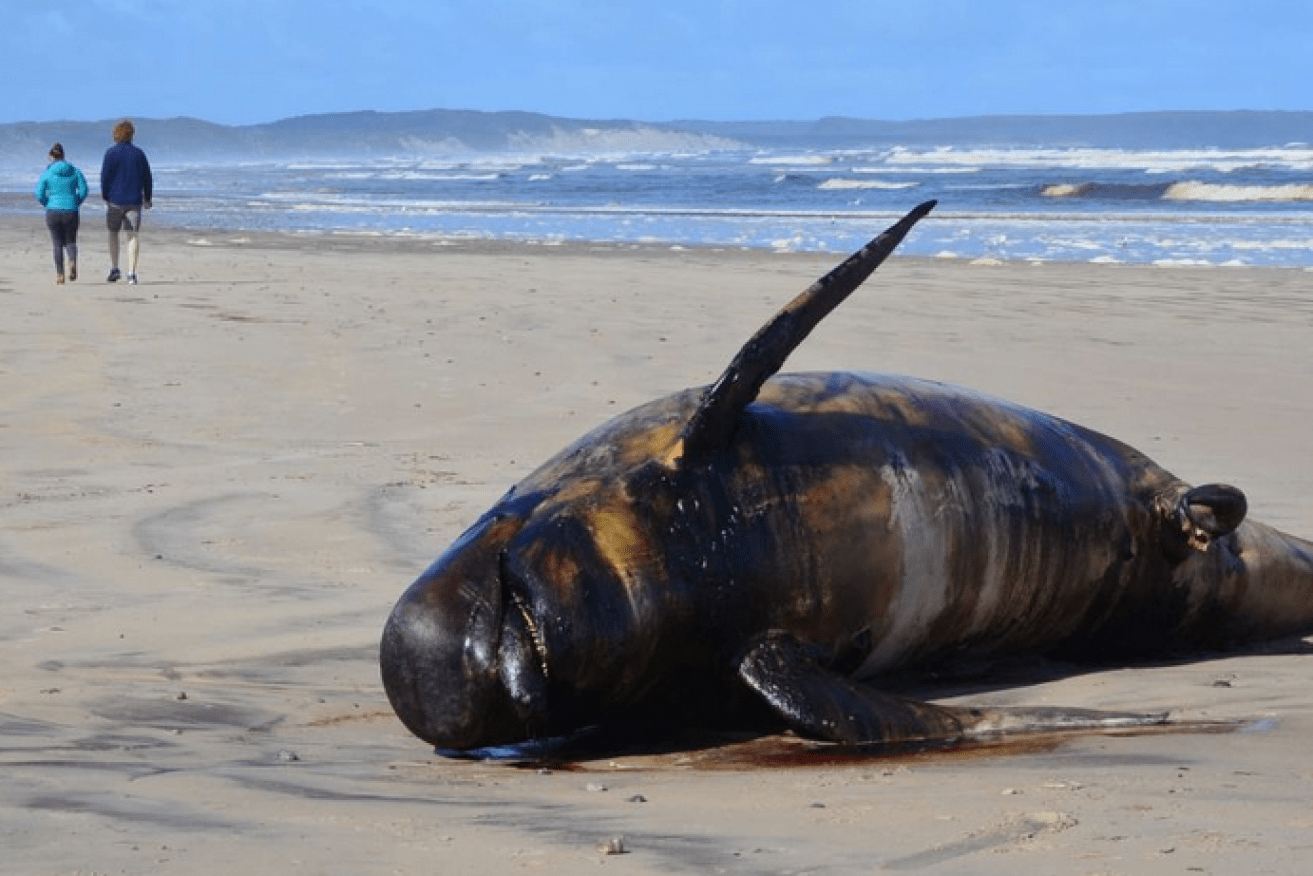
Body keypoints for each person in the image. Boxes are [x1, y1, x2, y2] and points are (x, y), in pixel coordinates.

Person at [100, 119, 153, 285]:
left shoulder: (110, 153)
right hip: (133, 201)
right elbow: (147, 178)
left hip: (115, 201)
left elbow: (105, 178)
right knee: (132, 236)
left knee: (113, 232)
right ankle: (131, 273)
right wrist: (148, 198)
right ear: (132, 134)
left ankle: (115, 268)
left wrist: (105, 196)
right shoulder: (139, 154)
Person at [34, 143, 89, 285]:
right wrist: (75, 201)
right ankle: (72, 262)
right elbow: (84, 190)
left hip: (53, 210)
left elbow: (39, 193)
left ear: (51, 156)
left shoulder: (47, 173)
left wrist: (47, 203)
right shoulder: (75, 171)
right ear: (64, 155)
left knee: (57, 244)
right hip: (71, 210)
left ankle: (60, 274)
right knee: (71, 241)